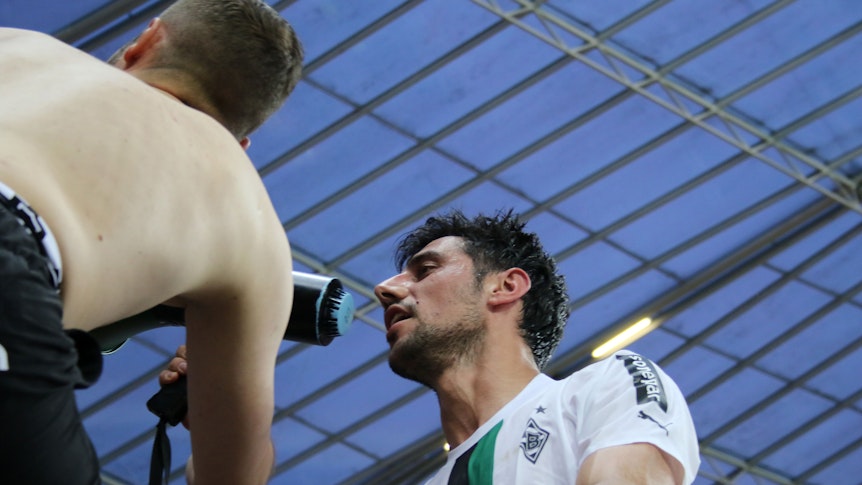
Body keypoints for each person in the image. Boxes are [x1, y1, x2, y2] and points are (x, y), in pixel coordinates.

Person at [161, 209, 701, 483]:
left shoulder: (603, 388)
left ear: (505, 287)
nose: (387, 289)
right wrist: (221, 393)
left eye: (426, 270)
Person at [0, 0, 303, 483]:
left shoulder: (18, 45)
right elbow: (232, 473)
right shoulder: (247, 211)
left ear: (145, 42)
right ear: (240, 143)